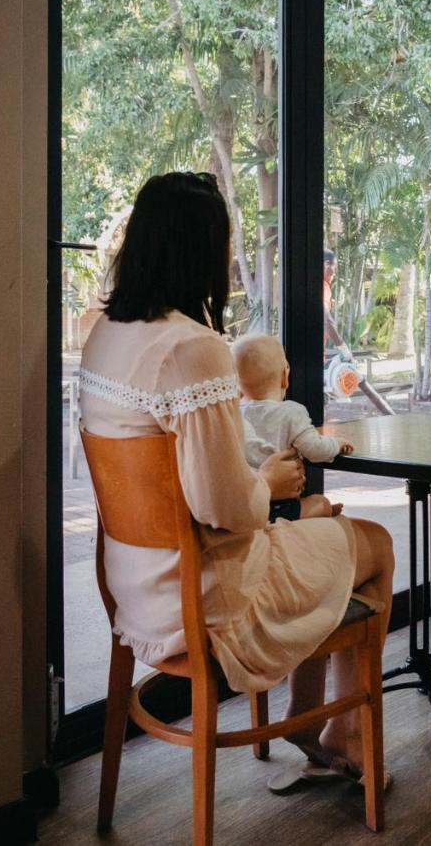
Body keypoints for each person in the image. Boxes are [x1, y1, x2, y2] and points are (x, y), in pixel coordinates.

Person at [78, 171, 393, 787]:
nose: (230, 259)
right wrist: (273, 484)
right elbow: (227, 508)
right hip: (210, 598)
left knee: (320, 530)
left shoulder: (104, 338)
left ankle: (316, 723)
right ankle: (337, 730)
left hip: (136, 588)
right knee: (375, 546)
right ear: (201, 250)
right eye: (226, 243)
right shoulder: (193, 348)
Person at [232, 332, 353, 521]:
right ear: (284, 378)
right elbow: (315, 449)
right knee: (320, 501)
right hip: (280, 506)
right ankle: (326, 509)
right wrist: (337, 444)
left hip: (248, 505)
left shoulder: (234, 414)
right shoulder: (291, 412)